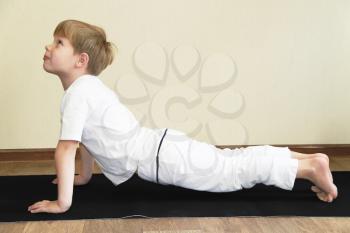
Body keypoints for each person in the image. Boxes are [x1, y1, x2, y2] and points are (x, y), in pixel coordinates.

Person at [28, 19, 338, 214]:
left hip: (164, 158)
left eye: (58, 43)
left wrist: (62, 203)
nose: (48, 46)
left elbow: (67, 148)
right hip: (162, 148)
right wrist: (83, 177)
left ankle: (308, 168)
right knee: (231, 160)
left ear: (80, 60)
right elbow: (84, 141)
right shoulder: (87, 89)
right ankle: (306, 160)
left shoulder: (78, 94)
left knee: (232, 173)